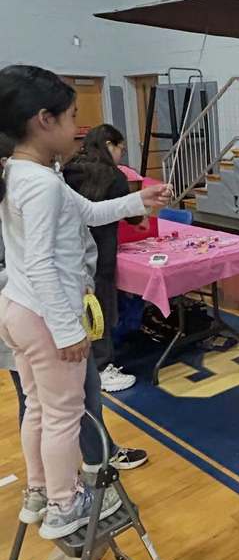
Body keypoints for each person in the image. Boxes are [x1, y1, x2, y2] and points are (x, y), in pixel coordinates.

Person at [0, 65, 171, 540]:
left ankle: (40, 490)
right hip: (40, 314)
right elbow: (40, 264)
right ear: (42, 120)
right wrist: (67, 329)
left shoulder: (26, 174)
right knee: (62, 414)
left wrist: (141, 200)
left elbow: (93, 212)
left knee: (39, 408)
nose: (79, 127)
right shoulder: (39, 184)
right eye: (72, 116)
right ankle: (63, 504)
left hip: (18, 310)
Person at [63, 124, 144, 392]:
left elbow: (89, 211)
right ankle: (102, 367)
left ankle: (88, 366)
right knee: (101, 309)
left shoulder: (69, 169)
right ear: (110, 145)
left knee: (82, 310)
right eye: (121, 148)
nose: (121, 154)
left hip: (72, 254)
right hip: (101, 253)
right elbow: (130, 216)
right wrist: (140, 213)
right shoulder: (114, 176)